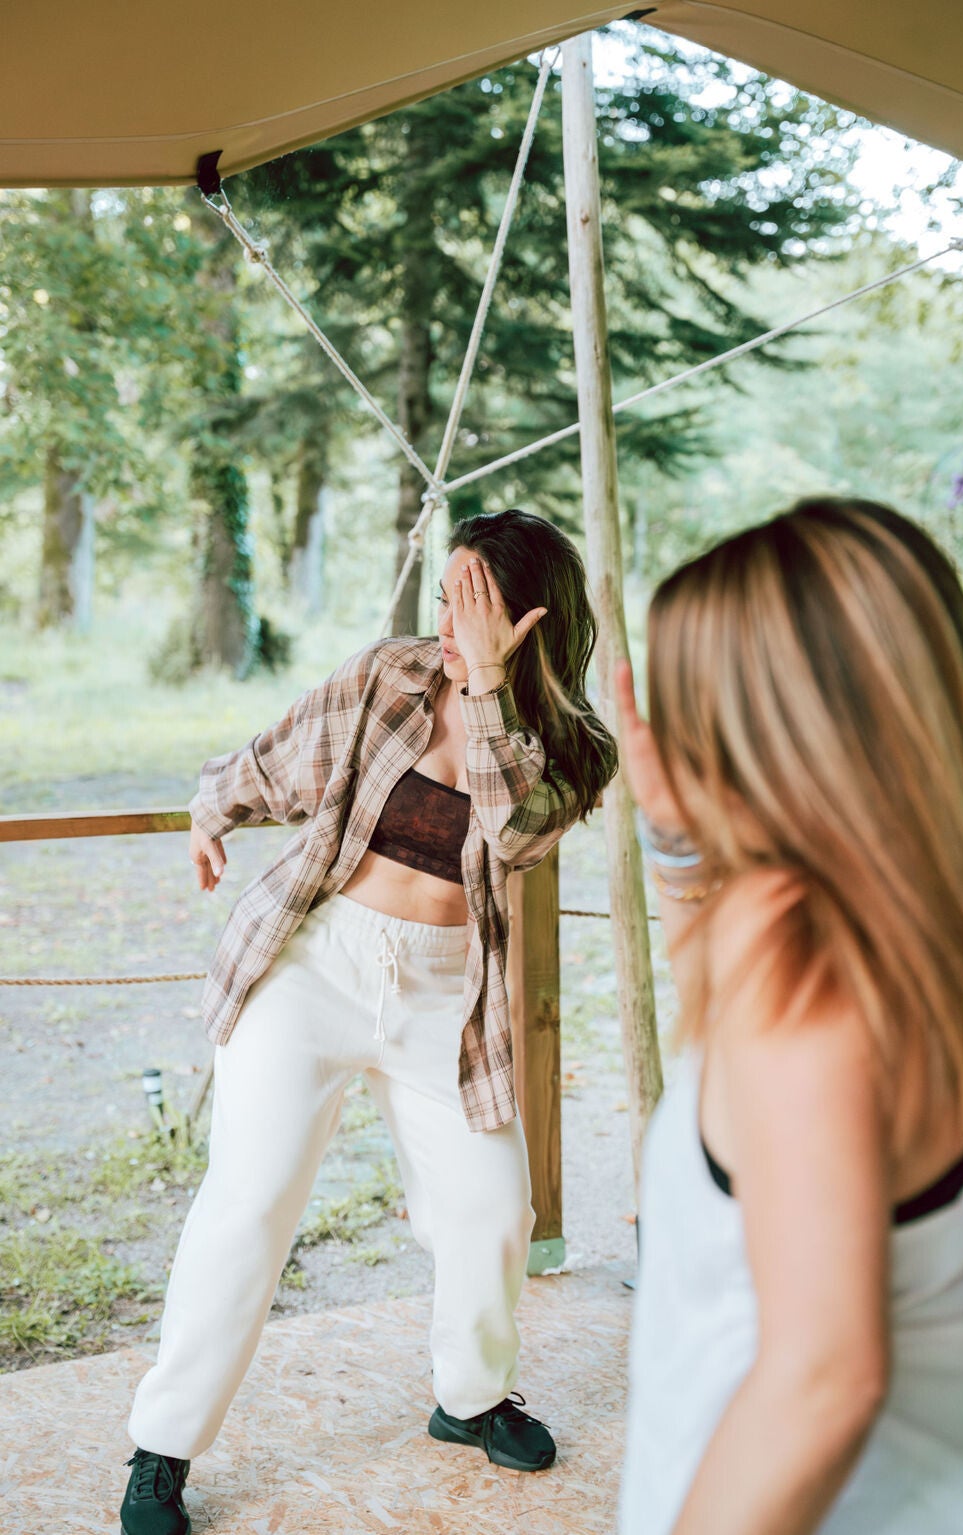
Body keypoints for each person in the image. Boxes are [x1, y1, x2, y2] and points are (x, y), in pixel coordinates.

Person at [119, 508, 617, 1535]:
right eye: (443, 592)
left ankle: (469, 1397)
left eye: (469, 600)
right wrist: (214, 807)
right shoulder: (388, 673)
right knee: (249, 1198)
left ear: (529, 619)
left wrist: (483, 688)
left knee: (491, 1212)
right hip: (317, 965)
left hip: (445, 993)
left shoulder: (569, 745)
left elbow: (513, 830)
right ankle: (162, 1445)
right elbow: (283, 757)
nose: (445, 617)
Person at [615, 498, 963, 1535]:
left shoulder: (802, 963)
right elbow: (741, 1073)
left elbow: (822, 1382)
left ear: (759, 739)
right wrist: (677, 840)